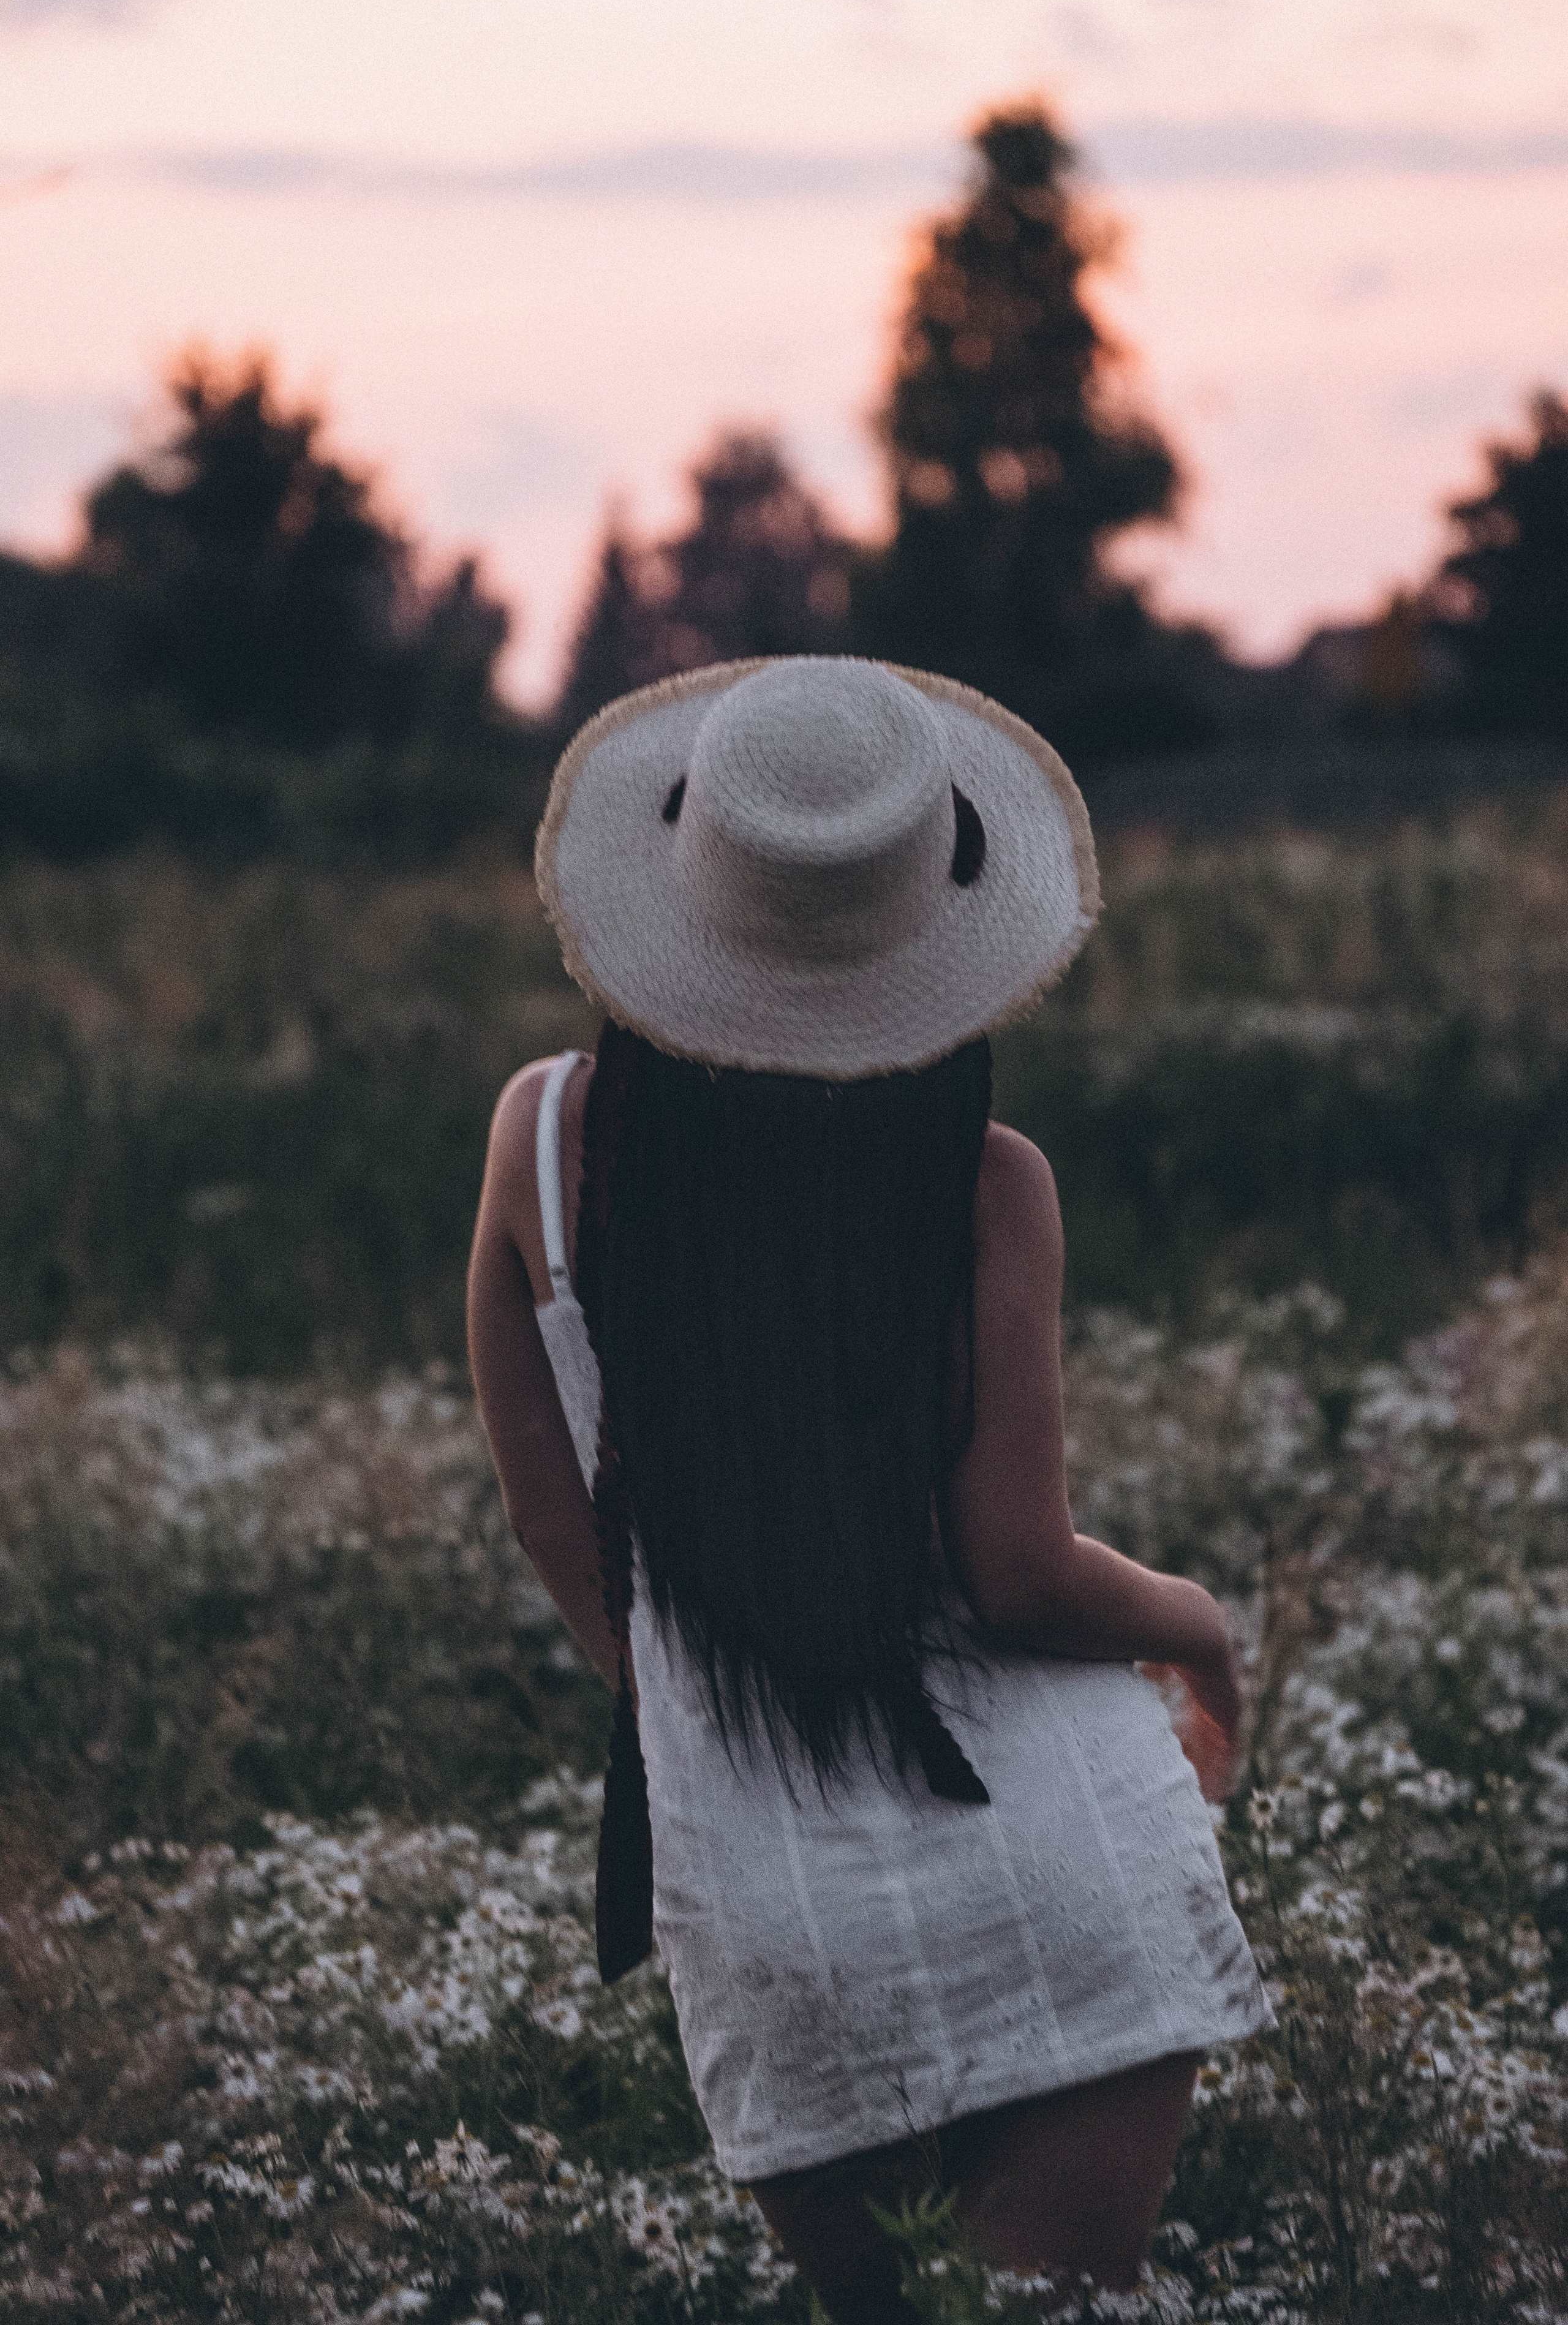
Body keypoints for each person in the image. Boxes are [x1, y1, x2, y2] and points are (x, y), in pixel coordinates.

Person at [467, 656, 1272, 2323]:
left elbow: (557, 1515)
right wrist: (1201, 1625)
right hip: (1060, 1881)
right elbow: (1019, 1570)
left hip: (766, 1904)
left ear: (688, 877)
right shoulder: (984, 1181)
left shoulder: (548, 1141)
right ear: (934, 912)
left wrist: (703, 1699)